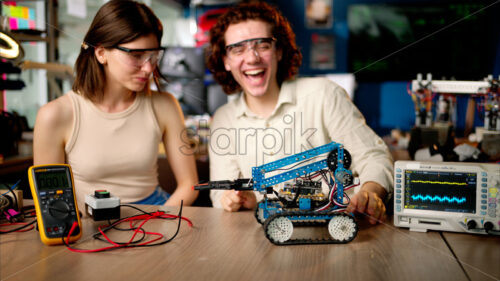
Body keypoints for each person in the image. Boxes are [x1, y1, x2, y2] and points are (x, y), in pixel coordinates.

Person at [206, 2, 393, 224]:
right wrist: (235, 199)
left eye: (263, 45)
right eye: (238, 49)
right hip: (264, 240)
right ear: (226, 61)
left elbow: (374, 157)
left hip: (339, 227)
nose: (252, 57)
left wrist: (370, 193)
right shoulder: (223, 119)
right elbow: (220, 194)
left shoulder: (324, 94)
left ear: (279, 51)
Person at [33, 0, 198, 209]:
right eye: (136, 56)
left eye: (153, 55)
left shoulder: (165, 105)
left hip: (157, 212)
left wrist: (158, 221)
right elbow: (52, 201)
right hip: (88, 220)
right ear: (101, 53)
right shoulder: (54, 115)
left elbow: (189, 184)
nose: (148, 68)